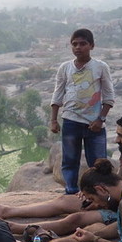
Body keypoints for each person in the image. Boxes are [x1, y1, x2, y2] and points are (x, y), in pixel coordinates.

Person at [0, 110, 122, 237]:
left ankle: (16, 228)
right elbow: (118, 183)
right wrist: (97, 197)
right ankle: (7, 210)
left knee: (76, 219)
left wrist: (104, 201)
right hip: (117, 202)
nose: (117, 140)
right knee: (64, 201)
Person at [50, 29, 115, 195]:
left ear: (92, 46)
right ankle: (71, 192)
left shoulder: (100, 67)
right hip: (70, 121)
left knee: (99, 164)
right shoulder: (65, 68)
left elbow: (108, 96)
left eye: (83, 44)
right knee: (70, 161)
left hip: (95, 124)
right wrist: (53, 120)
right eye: (74, 44)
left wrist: (101, 119)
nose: (78, 47)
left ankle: (98, 195)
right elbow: (58, 93)